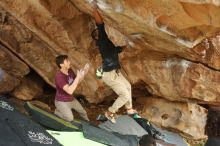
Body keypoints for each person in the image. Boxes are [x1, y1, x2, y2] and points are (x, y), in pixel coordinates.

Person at [91, 1, 137, 123]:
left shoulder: (106, 44)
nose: (99, 32)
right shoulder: (101, 41)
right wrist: (94, 9)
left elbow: (117, 50)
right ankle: (110, 112)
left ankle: (130, 109)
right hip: (109, 75)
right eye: (97, 32)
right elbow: (100, 24)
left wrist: (127, 45)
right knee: (124, 95)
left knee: (128, 86)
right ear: (97, 37)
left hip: (115, 72)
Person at [54, 55, 90, 122]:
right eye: (67, 61)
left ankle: (88, 124)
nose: (69, 62)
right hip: (62, 101)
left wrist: (83, 74)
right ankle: (57, 112)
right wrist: (77, 77)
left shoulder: (69, 70)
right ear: (61, 64)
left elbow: (76, 83)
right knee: (70, 118)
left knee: (83, 112)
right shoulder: (59, 76)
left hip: (70, 99)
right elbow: (69, 91)